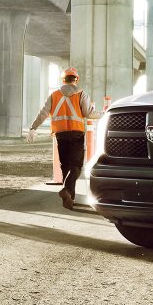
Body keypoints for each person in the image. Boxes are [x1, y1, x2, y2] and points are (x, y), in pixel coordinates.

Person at [27, 67, 97, 210]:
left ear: (63, 80)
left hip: (61, 135)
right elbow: (89, 113)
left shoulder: (54, 95)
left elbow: (43, 113)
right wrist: (105, 112)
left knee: (65, 166)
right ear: (76, 80)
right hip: (76, 134)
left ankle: (69, 198)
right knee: (76, 167)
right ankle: (67, 191)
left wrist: (33, 128)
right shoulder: (81, 94)